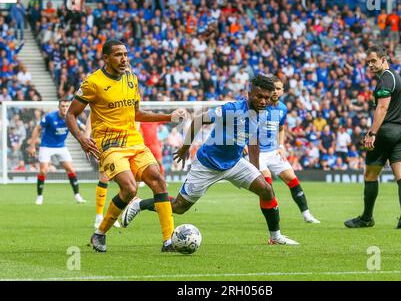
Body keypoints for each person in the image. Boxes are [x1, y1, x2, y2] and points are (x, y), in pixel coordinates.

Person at [121, 74, 299, 245]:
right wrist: (185, 147)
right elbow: (199, 119)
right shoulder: (232, 109)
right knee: (179, 207)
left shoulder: (263, 113)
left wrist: (255, 169)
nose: (263, 101)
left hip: (235, 163)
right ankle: (140, 204)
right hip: (208, 165)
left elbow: (253, 142)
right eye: (259, 96)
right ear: (249, 94)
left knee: (267, 190)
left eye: (266, 98)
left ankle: (275, 237)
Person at [66, 39, 186, 252]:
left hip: (133, 140)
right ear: (106, 58)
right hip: (109, 144)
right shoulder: (93, 82)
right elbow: (71, 114)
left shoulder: (132, 79)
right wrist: (81, 138)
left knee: (158, 180)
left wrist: (169, 117)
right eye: (118, 55)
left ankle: (169, 241)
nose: (124, 59)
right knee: (129, 188)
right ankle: (100, 233)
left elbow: (137, 114)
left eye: (126, 54)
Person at [345, 45, 401, 229]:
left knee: (370, 175)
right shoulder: (396, 78)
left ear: (384, 59)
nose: (370, 65)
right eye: (368, 63)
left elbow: (382, 108)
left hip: (385, 133)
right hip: (400, 132)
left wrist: (372, 133)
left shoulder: (385, 79)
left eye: (374, 61)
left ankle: (366, 218)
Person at [257, 76, 320, 223]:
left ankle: (307, 215)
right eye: (272, 89)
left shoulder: (283, 108)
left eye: (278, 89)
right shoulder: (260, 105)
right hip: (258, 153)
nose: (275, 91)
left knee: (292, 179)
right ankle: (273, 220)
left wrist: (281, 146)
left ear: (283, 91)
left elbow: (281, 129)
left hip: (273, 151)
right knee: (267, 184)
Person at [28, 99, 87, 205]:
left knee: (71, 169)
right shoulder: (50, 117)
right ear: (59, 107)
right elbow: (37, 128)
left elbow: (83, 128)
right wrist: (32, 146)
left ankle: (77, 196)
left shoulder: (71, 117)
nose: (65, 108)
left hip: (61, 147)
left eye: (66, 106)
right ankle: (40, 196)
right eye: (62, 106)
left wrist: (91, 134)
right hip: (46, 146)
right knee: (43, 171)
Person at [83, 114, 120, 229]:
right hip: (104, 143)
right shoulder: (98, 106)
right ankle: (99, 216)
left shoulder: (123, 104)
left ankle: (113, 216)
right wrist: (85, 140)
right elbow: (88, 125)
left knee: (124, 181)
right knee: (104, 178)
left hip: (122, 143)